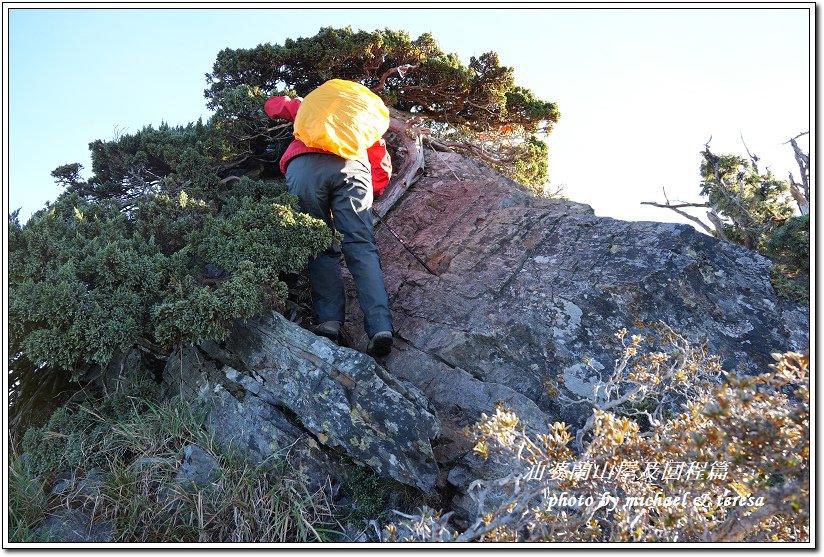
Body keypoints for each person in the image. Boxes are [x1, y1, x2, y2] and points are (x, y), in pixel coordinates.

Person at [264, 92, 394, 357]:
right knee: (361, 246)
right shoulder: (360, 120)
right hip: (352, 167)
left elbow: (274, 106)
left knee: (318, 243)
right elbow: (380, 162)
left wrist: (287, 101)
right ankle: (381, 328)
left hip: (304, 167)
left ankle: (330, 322)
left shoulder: (311, 107)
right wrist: (374, 193)